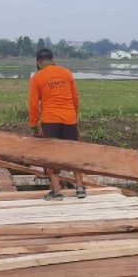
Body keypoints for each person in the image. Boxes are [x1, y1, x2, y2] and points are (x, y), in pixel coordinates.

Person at [28, 48, 86, 200]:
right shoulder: (67, 73)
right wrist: (73, 116)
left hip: (50, 120)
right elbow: (75, 98)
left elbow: (33, 105)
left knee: (51, 156)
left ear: (38, 62)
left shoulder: (37, 78)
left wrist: (33, 126)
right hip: (69, 119)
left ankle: (57, 192)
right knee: (74, 153)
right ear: (52, 59)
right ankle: (80, 188)